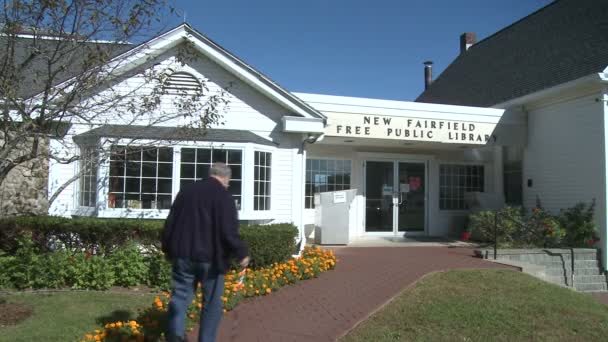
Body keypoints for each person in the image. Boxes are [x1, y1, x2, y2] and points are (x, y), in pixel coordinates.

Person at [162, 162, 250, 342]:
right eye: (228, 182)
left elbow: (170, 223)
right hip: (211, 259)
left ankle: (175, 336)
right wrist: (241, 253)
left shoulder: (186, 192)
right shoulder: (224, 196)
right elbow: (228, 231)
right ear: (226, 178)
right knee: (211, 304)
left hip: (183, 255)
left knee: (180, 298)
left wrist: (167, 248)